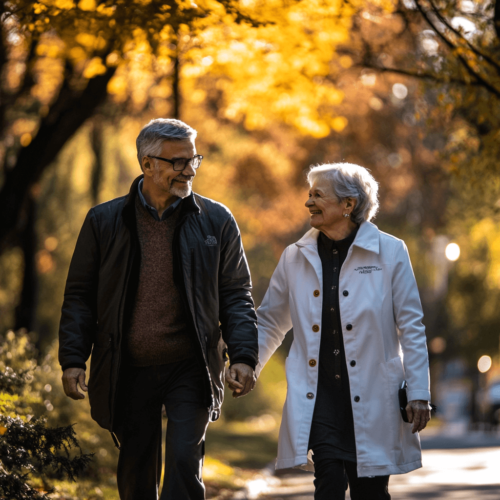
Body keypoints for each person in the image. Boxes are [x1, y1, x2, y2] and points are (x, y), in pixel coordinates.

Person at [59, 118, 258, 500]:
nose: (189, 170)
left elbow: (236, 294)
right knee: (136, 470)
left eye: (193, 159)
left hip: (192, 365)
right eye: (177, 162)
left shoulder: (217, 221)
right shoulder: (104, 221)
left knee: (184, 460)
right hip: (127, 366)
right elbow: (80, 296)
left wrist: (244, 355)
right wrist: (72, 358)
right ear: (147, 164)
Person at [254, 163, 431, 500]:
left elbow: (411, 325)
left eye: (317, 195)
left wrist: (420, 391)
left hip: (375, 398)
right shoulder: (294, 257)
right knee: (329, 486)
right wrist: (249, 365)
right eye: (309, 195)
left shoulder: (390, 252)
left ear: (348, 205)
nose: (308, 203)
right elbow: (270, 321)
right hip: (321, 399)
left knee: (371, 493)